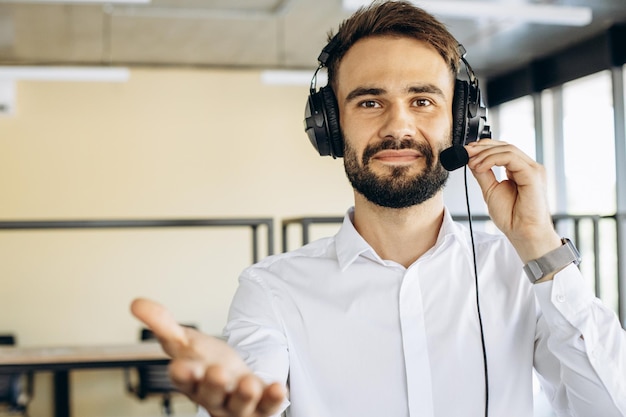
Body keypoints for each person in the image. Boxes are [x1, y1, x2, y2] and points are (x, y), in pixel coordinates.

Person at [131, 1, 626, 416]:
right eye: (369, 102)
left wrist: (541, 247)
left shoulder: (523, 274)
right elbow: (251, 392)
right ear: (330, 127)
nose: (399, 126)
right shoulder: (273, 291)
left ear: (462, 124)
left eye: (423, 101)